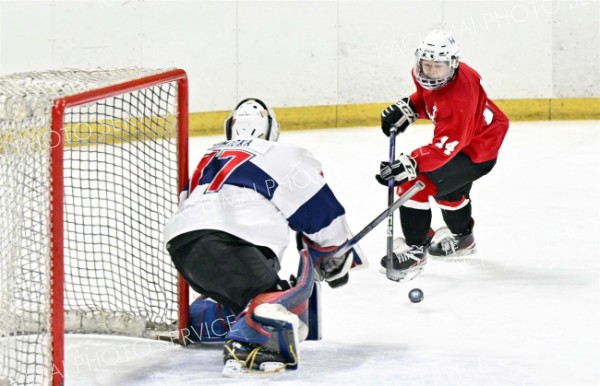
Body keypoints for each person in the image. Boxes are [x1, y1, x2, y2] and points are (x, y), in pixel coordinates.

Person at [163, 98, 364, 375]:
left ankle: (211, 319)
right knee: (280, 307)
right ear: (272, 130)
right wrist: (336, 251)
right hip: (230, 244)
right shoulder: (281, 154)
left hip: (183, 249)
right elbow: (319, 211)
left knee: (252, 294)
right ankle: (249, 341)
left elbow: (187, 201)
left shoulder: (211, 155)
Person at [376, 30, 509, 282]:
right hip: (472, 137)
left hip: (477, 151)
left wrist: (411, 163)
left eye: (438, 66)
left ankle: (415, 250)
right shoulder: (431, 75)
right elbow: (432, 98)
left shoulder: (460, 98)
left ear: (453, 64)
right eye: (426, 65)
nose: (431, 72)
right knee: (449, 191)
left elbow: (444, 147)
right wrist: (411, 106)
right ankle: (462, 238)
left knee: (414, 184)